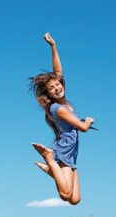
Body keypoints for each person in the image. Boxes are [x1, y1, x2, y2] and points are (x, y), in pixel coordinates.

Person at [29, 33, 94, 205]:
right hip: (63, 151)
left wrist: (53, 47)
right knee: (65, 195)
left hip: (72, 152)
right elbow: (83, 128)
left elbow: (58, 72)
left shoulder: (64, 103)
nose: (57, 87)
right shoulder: (58, 109)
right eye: (52, 88)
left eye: (57, 84)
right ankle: (49, 159)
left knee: (75, 199)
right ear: (48, 94)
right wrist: (88, 120)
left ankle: (51, 170)